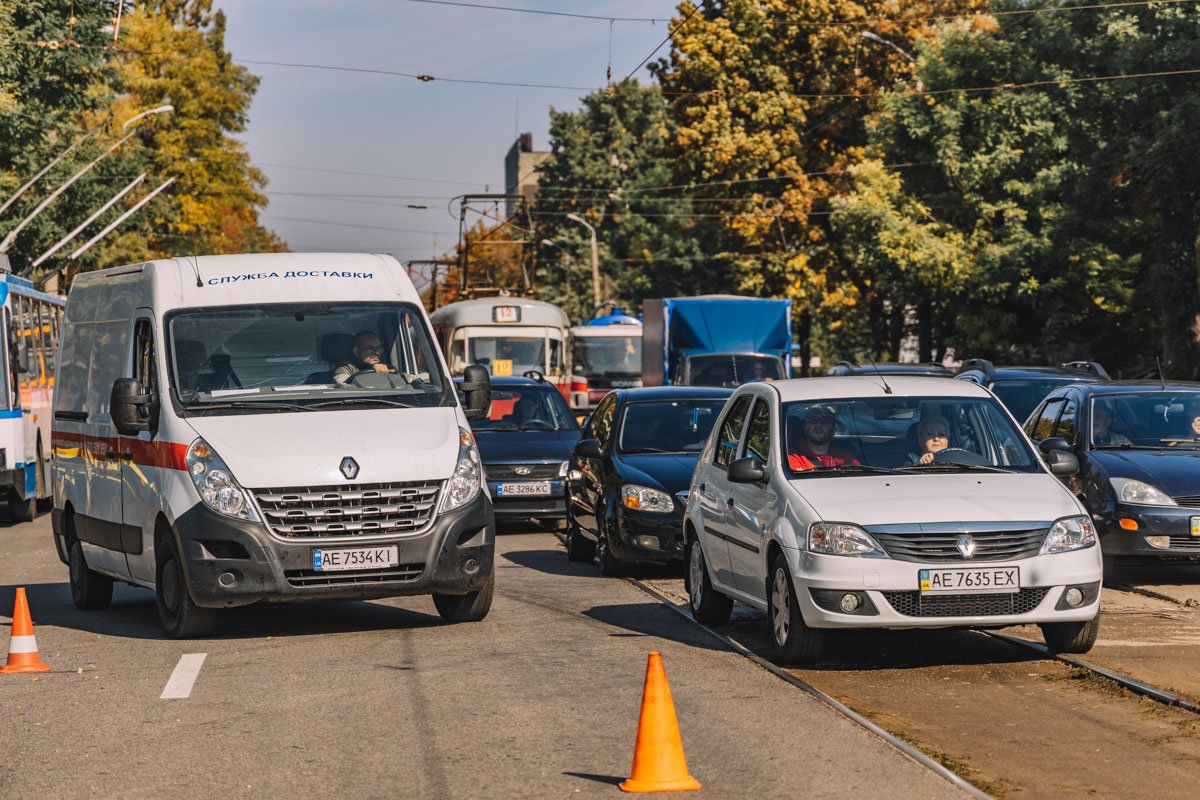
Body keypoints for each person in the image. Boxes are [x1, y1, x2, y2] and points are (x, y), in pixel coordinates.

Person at [788, 406, 860, 471]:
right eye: (813, 420)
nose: (818, 425)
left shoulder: (848, 459)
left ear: (833, 430)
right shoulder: (792, 459)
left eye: (824, 421)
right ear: (805, 428)